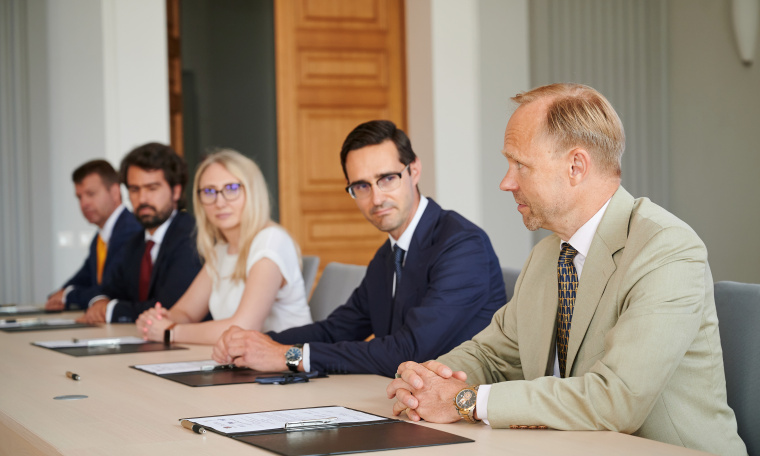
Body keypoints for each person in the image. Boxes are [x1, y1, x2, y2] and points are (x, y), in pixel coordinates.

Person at [387, 84, 746, 455]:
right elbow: (491, 355)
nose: (506, 182)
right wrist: (425, 382)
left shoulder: (666, 249)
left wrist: (467, 402)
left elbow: (617, 399)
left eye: (520, 165)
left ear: (576, 167)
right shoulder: (548, 255)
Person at [211, 120, 506, 377]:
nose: (376, 198)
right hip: (401, 399)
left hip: (462, 413)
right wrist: (255, 342)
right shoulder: (388, 256)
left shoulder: (462, 245)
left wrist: (291, 356)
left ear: (414, 170)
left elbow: (408, 350)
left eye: (387, 179)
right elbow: (336, 330)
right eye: (362, 186)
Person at [135, 150, 312, 344]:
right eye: (209, 192)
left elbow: (244, 327)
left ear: (252, 192)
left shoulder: (271, 241)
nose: (220, 202)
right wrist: (158, 320)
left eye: (232, 188)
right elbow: (185, 312)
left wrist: (171, 332)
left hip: (288, 364)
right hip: (244, 363)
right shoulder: (221, 249)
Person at [77, 143, 203, 324]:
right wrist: (100, 301)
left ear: (176, 191)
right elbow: (108, 289)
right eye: (134, 189)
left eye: (152, 188)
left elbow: (167, 308)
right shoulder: (135, 244)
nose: (142, 199)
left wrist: (110, 309)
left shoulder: (191, 237)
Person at [46, 160, 142, 310]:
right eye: (79, 197)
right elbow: (82, 279)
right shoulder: (99, 239)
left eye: (91, 194)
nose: (84, 203)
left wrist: (67, 295)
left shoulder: (132, 231)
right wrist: (60, 294)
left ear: (115, 192)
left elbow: (110, 291)